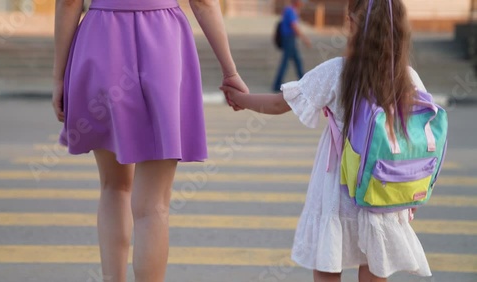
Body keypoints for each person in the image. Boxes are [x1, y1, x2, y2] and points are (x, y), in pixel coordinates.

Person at [221, 0, 432, 281]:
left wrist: (241, 99)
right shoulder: (408, 77)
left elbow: (277, 104)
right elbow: (417, 137)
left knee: (328, 262)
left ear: (353, 25)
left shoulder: (338, 72)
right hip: (384, 187)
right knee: (375, 264)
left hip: (339, 189)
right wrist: (414, 186)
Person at [52, 0, 248, 281]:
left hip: (102, 40)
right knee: (152, 206)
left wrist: (59, 77)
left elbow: (69, 3)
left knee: (113, 186)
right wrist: (230, 72)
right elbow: (203, 2)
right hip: (163, 42)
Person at [273, 0, 312, 92]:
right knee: (286, 62)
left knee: (297, 61)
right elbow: (294, 26)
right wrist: (305, 39)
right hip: (289, 39)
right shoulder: (290, 11)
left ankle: (303, 82)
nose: (302, 4)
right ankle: (277, 84)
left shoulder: (290, 10)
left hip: (290, 39)